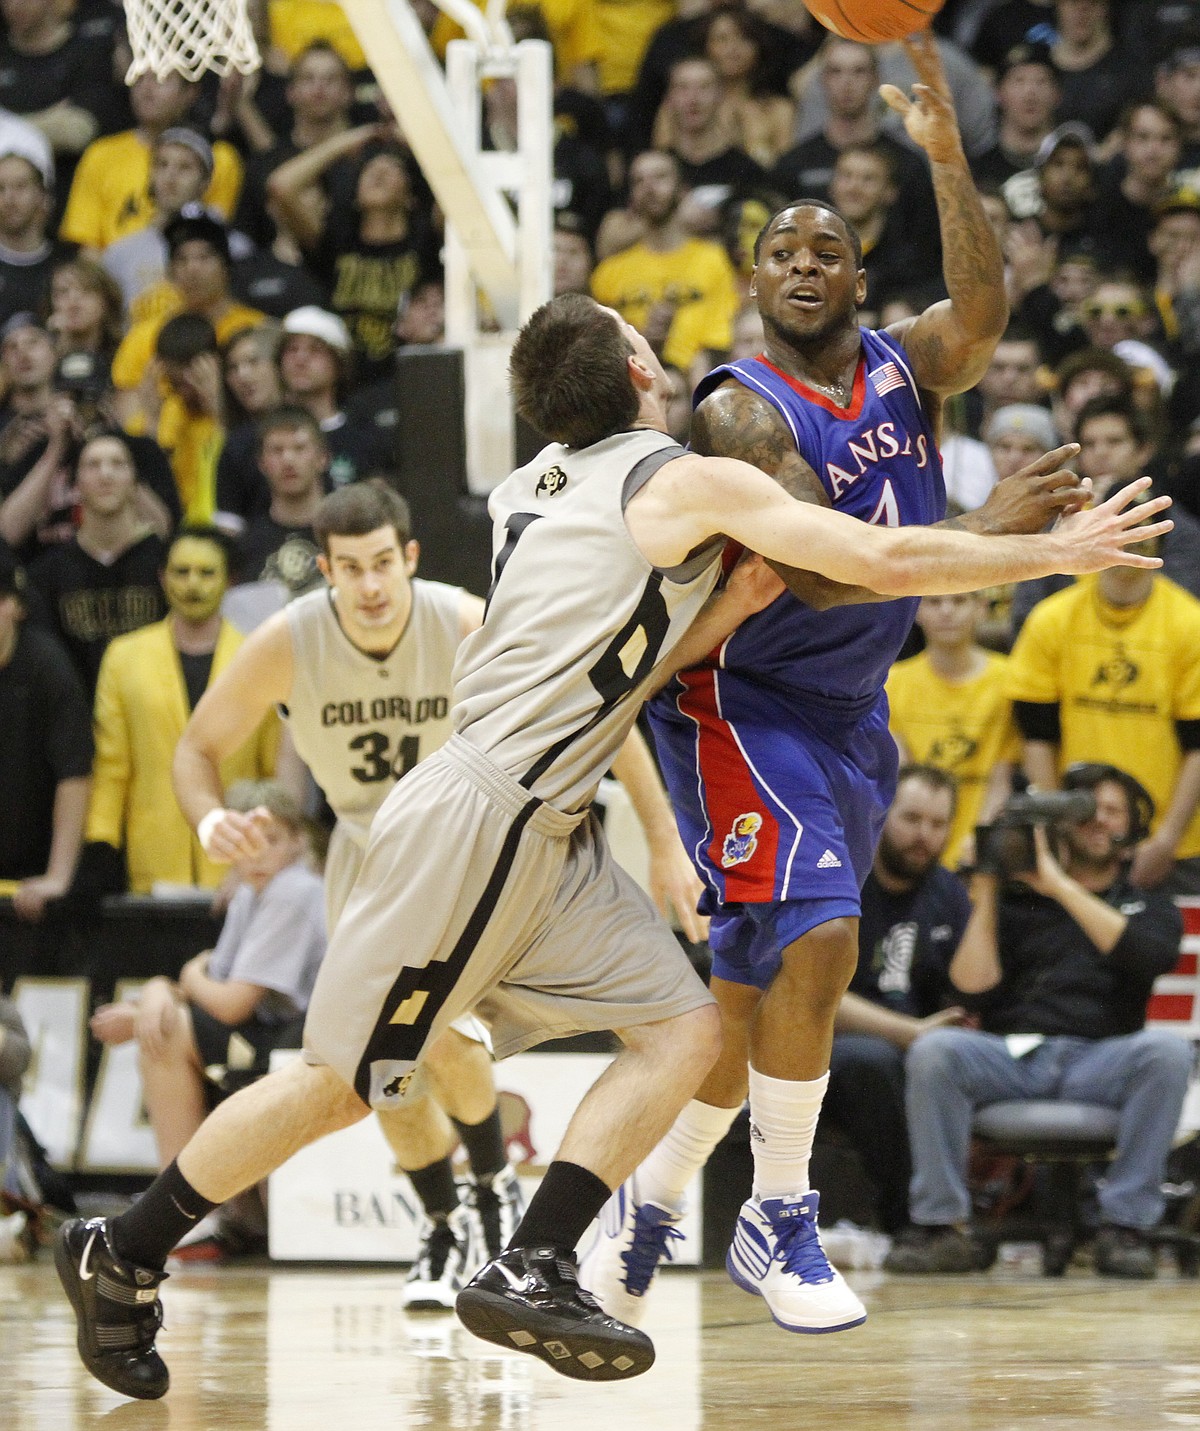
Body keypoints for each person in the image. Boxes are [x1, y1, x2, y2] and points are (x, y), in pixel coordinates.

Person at [52, 287, 1168, 1400]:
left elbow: (635, 645)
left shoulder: (522, 488)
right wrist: (1052, 552)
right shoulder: (688, 481)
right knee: (343, 1087)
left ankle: (537, 1257)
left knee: (682, 1031)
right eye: (646, 344)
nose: (664, 354)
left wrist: (731, 603)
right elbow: (880, 566)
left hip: (551, 828)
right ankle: (126, 1250)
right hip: (487, 819)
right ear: (639, 374)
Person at [577, 34, 1103, 1336]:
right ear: (755, 283)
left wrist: (948, 158)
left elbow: (980, 316)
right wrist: (987, 536)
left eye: (826, 250)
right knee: (822, 932)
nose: (804, 265)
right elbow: (822, 573)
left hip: (854, 713)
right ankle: (782, 1214)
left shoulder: (900, 368)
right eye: (781, 252)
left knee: (754, 992)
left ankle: (652, 1205)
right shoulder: (738, 411)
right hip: (741, 703)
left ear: (860, 274)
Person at [173, 477, 719, 1307]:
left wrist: (665, 842)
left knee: (448, 1042)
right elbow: (196, 748)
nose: (369, 586)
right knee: (377, 1073)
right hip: (368, 855)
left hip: (468, 845)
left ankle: (493, 1185)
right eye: (349, 568)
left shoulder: (465, 619)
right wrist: (209, 818)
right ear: (324, 569)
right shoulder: (288, 640)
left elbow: (602, 712)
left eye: (383, 564)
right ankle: (441, 1219)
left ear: (410, 558)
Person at [884, 762, 1192, 1278]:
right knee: (936, 1050)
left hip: (1102, 1059)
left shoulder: (1147, 904)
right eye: (1083, 811)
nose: (1096, 822)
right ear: (1060, 823)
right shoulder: (1014, 900)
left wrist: (1058, 886)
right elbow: (969, 990)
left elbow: (1146, 956)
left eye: (1109, 812)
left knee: (1168, 1053)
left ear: (1131, 825)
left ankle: (1124, 1230)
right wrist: (985, 891)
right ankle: (941, 1228)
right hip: (1011, 1057)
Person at [90, 780, 325, 1174]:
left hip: (311, 1046)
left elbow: (231, 1005)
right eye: (248, 842)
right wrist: (155, 994)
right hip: (280, 1037)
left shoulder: (295, 891)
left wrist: (180, 980)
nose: (259, 854)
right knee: (163, 1018)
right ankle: (202, 1207)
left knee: (166, 1032)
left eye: (272, 840)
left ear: (298, 840)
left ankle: (183, 1211)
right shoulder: (251, 893)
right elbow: (208, 986)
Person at [85, 527, 279, 895]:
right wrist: (101, 843)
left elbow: (272, 777)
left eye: (207, 573)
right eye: (181, 571)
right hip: (151, 861)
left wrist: (262, 859)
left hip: (242, 869)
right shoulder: (124, 657)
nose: (193, 584)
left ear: (230, 580)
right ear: (162, 577)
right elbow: (112, 766)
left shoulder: (258, 657)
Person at [1007, 524, 1200, 892]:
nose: (1128, 552)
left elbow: (1198, 745)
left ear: (1159, 545)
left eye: (1141, 539)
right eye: (1121, 537)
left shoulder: (1190, 624)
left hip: (1174, 844)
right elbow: (1037, 736)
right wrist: (1058, 828)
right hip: (1076, 831)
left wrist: (1167, 841)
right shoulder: (1052, 620)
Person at [823, 766, 971, 1235]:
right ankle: (903, 1217)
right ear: (881, 814)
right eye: (911, 819)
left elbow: (969, 991)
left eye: (937, 824)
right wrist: (910, 1034)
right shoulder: (842, 878)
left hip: (922, 1047)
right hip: (831, 1040)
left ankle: (952, 1216)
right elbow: (814, 993)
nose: (923, 836)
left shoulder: (949, 894)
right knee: (875, 1062)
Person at [886, 594, 1020, 870]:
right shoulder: (893, 683)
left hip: (980, 848)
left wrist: (978, 839)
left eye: (959, 601)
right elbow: (899, 780)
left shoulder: (1010, 680)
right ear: (917, 610)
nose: (946, 612)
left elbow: (1001, 779)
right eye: (934, 602)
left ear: (982, 607)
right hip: (914, 849)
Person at [27, 431, 167, 692]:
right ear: (75, 484)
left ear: (135, 481)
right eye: (93, 465)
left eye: (118, 464)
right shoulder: (48, 573)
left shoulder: (166, 564)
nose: (106, 475)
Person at [0, 541, 92, 919]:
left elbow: (74, 774)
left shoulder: (48, 668)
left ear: (17, 607)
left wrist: (57, 876)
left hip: (32, 860)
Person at [590, 149, 740, 375]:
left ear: (683, 190)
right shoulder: (609, 273)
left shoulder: (716, 260)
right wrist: (644, 340)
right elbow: (599, 350)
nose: (649, 188)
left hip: (700, 381)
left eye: (660, 177)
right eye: (639, 181)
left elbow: (722, 339)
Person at [60, 71, 243, 252]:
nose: (146, 89)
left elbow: (213, 244)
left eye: (161, 79)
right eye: (138, 78)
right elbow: (85, 245)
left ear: (190, 92)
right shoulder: (99, 154)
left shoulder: (220, 158)